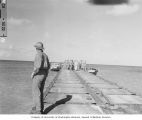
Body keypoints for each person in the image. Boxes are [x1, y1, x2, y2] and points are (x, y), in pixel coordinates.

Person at [30, 42, 50, 114]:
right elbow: (48, 66)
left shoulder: (38, 55)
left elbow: (37, 66)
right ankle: (40, 108)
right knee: (40, 91)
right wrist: (46, 74)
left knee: (36, 92)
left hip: (38, 74)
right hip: (44, 74)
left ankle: (38, 110)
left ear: (37, 48)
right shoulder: (45, 55)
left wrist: (33, 73)